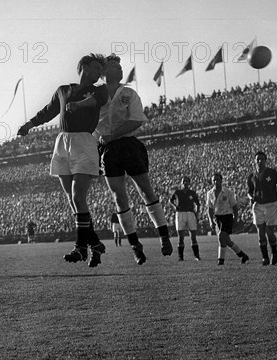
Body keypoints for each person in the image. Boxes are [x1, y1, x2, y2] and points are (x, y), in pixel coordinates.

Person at [17, 53, 108, 268]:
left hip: (84, 142)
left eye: (100, 71)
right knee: (71, 199)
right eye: (96, 68)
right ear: (83, 67)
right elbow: (49, 111)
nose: (98, 74)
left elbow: (95, 101)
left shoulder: (99, 90)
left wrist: (79, 106)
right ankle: (94, 244)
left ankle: (80, 247)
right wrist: (29, 125)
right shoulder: (63, 90)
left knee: (78, 196)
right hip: (62, 142)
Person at [93, 53, 173, 265]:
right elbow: (89, 124)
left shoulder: (128, 93)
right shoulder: (96, 95)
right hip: (108, 150)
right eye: (113, 66)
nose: (119, 69)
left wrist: (112, 135)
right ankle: (136, 246)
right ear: (104, 72)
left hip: (129, 145)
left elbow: (136, 120)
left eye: (120, 66)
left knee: (145, 189)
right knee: (119, 198)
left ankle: (164, 235)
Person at [247, 150, 277, 266]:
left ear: (265, 160)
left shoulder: (272, 173)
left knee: (270, 232)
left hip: (271, 204)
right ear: (254, 161)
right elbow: (249, 192)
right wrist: (251, 197)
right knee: (260, 232)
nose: (259, 161)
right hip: (258, 205)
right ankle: (265, 257)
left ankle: (274, 253)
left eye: (262, 159)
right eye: (257, 159)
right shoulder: (251, 176)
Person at [206, 173, 250, 265]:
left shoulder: (228, 192)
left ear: (221, 181)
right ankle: (242, 256)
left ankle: (220, 261)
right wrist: (211, 221)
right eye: (214, 180)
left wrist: (236, 218)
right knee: (224, 240)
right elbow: (209, 209)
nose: (215, 182)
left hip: (227, 216)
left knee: (222, 236)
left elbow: (234, 206)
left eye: (217, 179)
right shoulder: (209, 193)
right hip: (217, 217)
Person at [169, 176, 201, 261]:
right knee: (180, 237)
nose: (185, 183)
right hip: (180, 214)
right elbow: (170, 200)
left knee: (193, 236)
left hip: (190, 214)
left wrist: (197, 214)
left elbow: (198, 204)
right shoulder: (177, 192)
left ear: (189, 183)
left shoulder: (192, 193)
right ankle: (181, 257)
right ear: (181, 183)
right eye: (183, 181)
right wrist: (174, 206)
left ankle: (197, 256)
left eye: (187, 181)